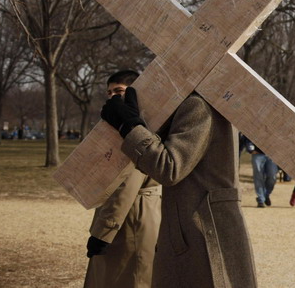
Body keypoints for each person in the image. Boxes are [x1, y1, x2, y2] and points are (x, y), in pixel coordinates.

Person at [100, 80, 257, 286]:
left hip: (201, 233)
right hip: (195, 229)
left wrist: (129, 126)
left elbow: (169, 168)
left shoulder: (199, 105)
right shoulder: (200, 102)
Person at [84, 70, 161, 288]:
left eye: (119, 91)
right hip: (140, 215)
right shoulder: (129, 124)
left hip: (131, 218)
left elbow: (126, 184)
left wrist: (103, 233)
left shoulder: (137, 128)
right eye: (109, 93)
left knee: (129, 279)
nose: (113, 98)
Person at [243, 135, 278, 208]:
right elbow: (249, 133)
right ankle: (261, 199)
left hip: (272, 154)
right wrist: (251, 149)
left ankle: (266, 194)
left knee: (272, 177)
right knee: (258, 177)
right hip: (257, 154)